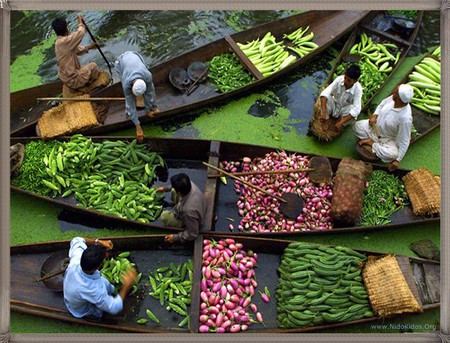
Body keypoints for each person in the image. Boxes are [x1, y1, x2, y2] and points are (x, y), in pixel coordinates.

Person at [63, 236, 137, 322]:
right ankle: (94, 315)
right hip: (82, 309)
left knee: (106, 284)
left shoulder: (76, 260)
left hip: (73, 294)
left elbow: (77, 239)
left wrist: (99, 242)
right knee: (99, 312)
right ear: (99, 266)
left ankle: (112, 290)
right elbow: (114, 307)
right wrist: (126, 286)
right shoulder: (94, 289)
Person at [353, 84, 414, 171]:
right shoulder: (392, 98)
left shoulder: (405, 118)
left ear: (399, 99)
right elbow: (382, 104)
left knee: (393, 154)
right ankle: (372, 140)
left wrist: (397, 160)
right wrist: (375, 115)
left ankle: (372, 144)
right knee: (357, 126)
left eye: (395, 92)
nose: (393, 92)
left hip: (387, 139)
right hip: (374, 128)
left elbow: (404, 140)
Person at [115, 51, 160, 143]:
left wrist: (149, 110)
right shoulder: (127, 83)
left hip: (136, 57)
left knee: (150, 93)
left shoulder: (147, 76)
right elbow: (130, 103)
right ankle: (128, 114)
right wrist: (138, 126)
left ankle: (152, 107)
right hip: (121, 62)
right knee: (130, 102)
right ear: (131, 87)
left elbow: (150, 93)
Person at [51, 15, 101, 93]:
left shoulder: (60, 42)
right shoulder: (64, 42)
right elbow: (80, 33)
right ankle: (89, 86)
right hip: (72, 79)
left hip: (66, 77)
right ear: (66, 28)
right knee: (93, 66)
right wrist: (80, 23)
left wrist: (90, 46)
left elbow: (77, 50)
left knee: (85, 67)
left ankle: (81, 83)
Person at [156, 173, 207, 244]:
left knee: (164, 216)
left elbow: (193, 234)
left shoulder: (188, 211)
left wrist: (175, 237)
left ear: (179, 192)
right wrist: (165, 189)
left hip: (193, 218)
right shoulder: (189, 184)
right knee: (173, 191)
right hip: (198, 203)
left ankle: (177, 222)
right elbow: (173, 187)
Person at [319, 64, 363, 132]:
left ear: (355, 81)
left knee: (354, 117)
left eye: (349, 80)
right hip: (334, 103)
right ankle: (325, 120)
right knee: (326, 99)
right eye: (345, 78)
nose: (345, 81)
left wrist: (341, 122)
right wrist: (324, 112)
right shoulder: (339, 79)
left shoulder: (358, 90)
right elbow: (325, 93)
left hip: (344, 109)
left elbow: (356, 109)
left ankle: (340, 121)